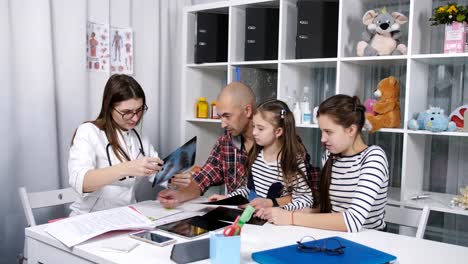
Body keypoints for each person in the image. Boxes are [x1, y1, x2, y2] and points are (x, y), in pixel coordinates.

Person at [256, 95, 389, 232]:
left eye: (329, 132)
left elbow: (352, 221)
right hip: (336, 235)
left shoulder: (374, 158)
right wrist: (284, 210)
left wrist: (291, 217)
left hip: (370, 240)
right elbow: (331, 211)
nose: (322, 139)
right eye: (321, 131)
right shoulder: (330, 156)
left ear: (351, 130)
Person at [158, 82, 295, 209]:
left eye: (227, 116)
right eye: (220, 117)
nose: (223, 124)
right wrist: (179, 195)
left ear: (247, 111)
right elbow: (203, 178)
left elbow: (305, 197)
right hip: (238, 220)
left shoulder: (282, 143)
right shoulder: (225, 143)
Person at [68, 74, 163, 215]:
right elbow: (82, 182)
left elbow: (157, 171)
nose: (135, 118)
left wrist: (175, 178)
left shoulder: (138, 136)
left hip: (126, 215)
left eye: (139, 110)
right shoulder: (88, 131)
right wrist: (126, 168)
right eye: (127, 112)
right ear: (109, 107)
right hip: (90, 217)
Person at [209, 99, 314, 210]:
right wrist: (227, 198)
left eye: (260, 128)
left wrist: (280, 211)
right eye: (254, 126)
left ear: (278, 131)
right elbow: (248, 190)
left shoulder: (292, 161)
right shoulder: (256, 155)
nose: (254, 132)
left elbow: (305, 199)